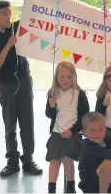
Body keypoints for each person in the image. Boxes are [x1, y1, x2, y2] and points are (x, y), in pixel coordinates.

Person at [0, 0, 42, 177]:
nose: (9, 16)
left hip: (24, 81)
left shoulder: (17, 27)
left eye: (10, 13)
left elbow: (33, 12)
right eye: (4, 14)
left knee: (27, 122)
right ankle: (12, 161)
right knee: (10, 123)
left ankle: (28, 159)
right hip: (7, 84)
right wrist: (8, 45)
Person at [45, 62, 90, 193]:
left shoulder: (79, 94)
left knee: (66, 158)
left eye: (69, 77)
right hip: (56, 132)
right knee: (54, 160)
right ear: (56, 78)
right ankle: (51, 188)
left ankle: (70, 187)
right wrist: (51, 106)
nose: (65, 80)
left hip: (74, 132)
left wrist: (72, 131)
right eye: (62, 77)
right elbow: (49, 114)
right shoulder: (53, 93)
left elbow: (84, 117)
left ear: (74, 78)